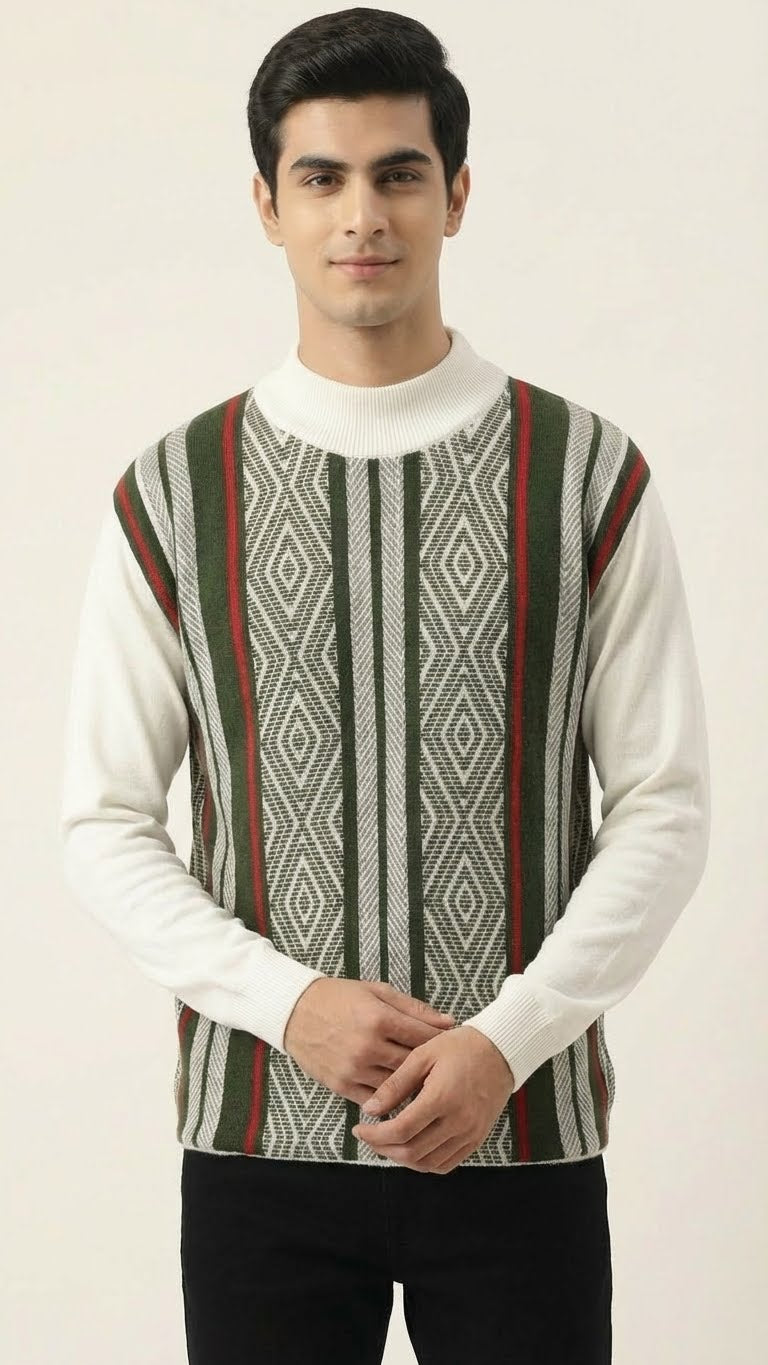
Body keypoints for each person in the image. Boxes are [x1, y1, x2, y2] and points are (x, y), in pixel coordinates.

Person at [59, 8, 711, 1363]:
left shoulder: (584, 475)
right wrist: (290, 1004)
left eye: (399, 173)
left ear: (457, 194)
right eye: (323, 177)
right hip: (258, 1148)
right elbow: (105, 822)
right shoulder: (174, 496)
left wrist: (508, 1040)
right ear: (268, 204)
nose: (363, 215)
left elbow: (663, 804)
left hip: (521, 1138)